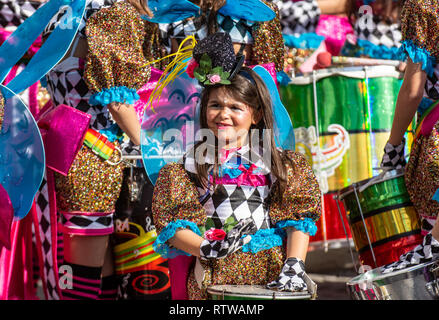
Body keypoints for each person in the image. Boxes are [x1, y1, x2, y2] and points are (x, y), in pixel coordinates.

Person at [150, 32, 322, 299]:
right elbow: (175, 225)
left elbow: (298, 218)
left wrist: (294, 266)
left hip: (267, 274)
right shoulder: (190, 164)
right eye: (215, 105)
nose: (223, 114)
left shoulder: (277, 162)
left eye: (235, 107)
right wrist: (207, 247)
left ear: (256, 114)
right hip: (211, 276)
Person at [40, 0, 163, 300]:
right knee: (83, 270)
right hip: (97, 154)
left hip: (67, 146)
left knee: (95, 262)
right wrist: (156, 154)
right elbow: (116, 100)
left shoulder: (60, 10)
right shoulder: (112, 12)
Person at [380, 0, 439, 273]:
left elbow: (413, 90)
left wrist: (393, 146)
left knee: (434, 257)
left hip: (438, 135)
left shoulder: (425, 6)